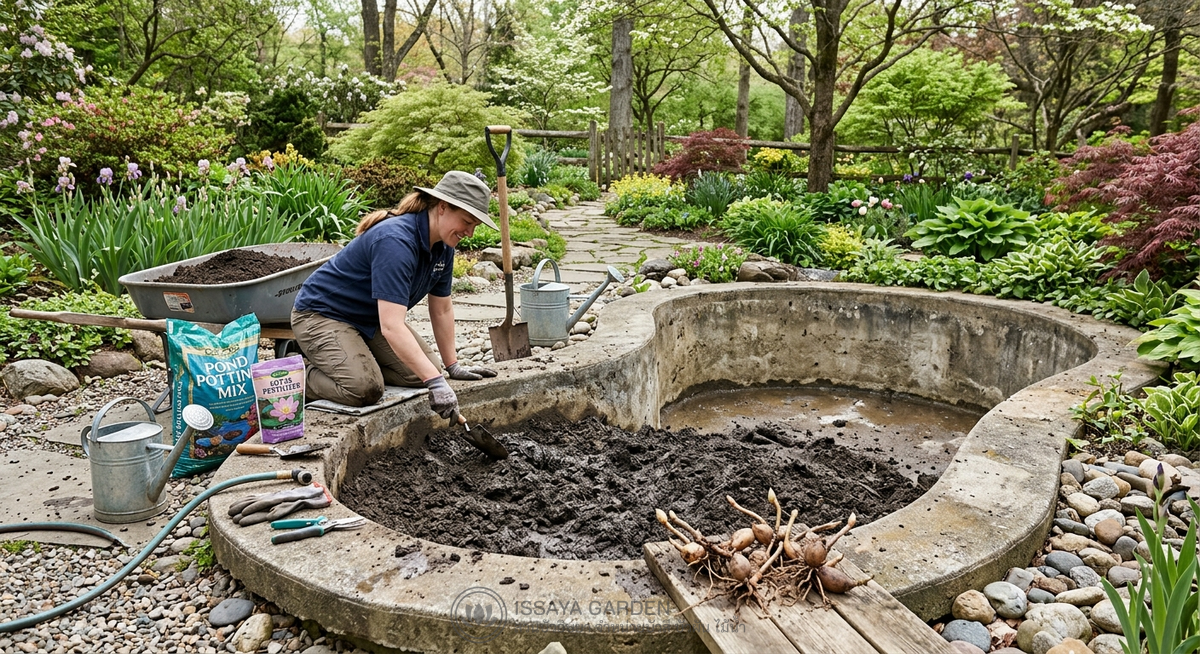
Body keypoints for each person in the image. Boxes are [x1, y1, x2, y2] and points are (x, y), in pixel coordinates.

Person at [291, 170, 498, 415]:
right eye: (467, 222)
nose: (470, 233)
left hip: (370, 319)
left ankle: (351, 364)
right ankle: (291, 376)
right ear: (443, 207)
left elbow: (441, 309)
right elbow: (392, 326)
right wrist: (436, 383)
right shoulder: (396, 241)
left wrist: (452, 366)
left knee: (425, 372)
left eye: (474, 226)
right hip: (322, 315)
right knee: (364, 389)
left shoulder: (443, 248)